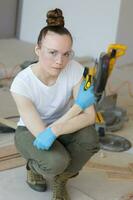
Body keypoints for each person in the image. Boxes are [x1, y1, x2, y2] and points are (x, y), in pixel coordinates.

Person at [10, 8, 99, 200]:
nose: (60, 61)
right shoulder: (21, 83)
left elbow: (90, 116)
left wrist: (57, 129)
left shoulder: (75, 69)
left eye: (67, 54)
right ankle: (32, 166)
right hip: (30, 132)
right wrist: (76, 108)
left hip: (60, 126)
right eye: (52, 52)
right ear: (37, 49)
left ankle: (62, 179)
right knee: (58, 160)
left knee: (90, 140)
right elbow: (43, 135)